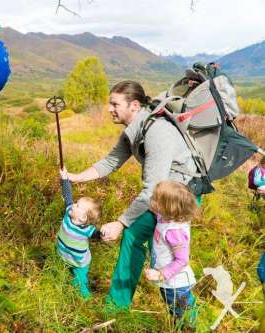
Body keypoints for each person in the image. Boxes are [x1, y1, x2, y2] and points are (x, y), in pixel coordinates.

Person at [67, 80, 198, 309]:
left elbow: (151, 189)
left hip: (179, 197)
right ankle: (120, 305)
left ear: (134, 105)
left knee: (165, 252)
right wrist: (75, 177)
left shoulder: (157, 131)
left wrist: (120, 222)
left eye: (114, 104)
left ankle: (186, 317)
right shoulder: (135, 130)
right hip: (161, 195)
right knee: (142, 241)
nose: (109, 109)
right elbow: (110, 162)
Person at [144, 180, 198, 327]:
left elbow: (182, 260)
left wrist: (162, 273)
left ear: (168, 207)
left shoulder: (174, 231)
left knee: (182, 313)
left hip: (176, 284)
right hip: (170, 282)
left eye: (155, 198)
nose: (151, 200)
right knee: (178, 310)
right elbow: (158, 215)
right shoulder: (166, 217)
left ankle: (190, 328)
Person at [57, 167, 101, 298]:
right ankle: (87, 281)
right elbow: (67, 196)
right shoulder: (69, 212)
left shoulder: (87, 230)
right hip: (65, 257)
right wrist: (65, 179)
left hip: (79, 263)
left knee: (77, 283)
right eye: (76, 203)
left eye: (77, 205)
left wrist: (103, 233)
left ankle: (87, 301)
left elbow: (98, 235)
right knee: (65, 273)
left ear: (83, 218)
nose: (73, 205)